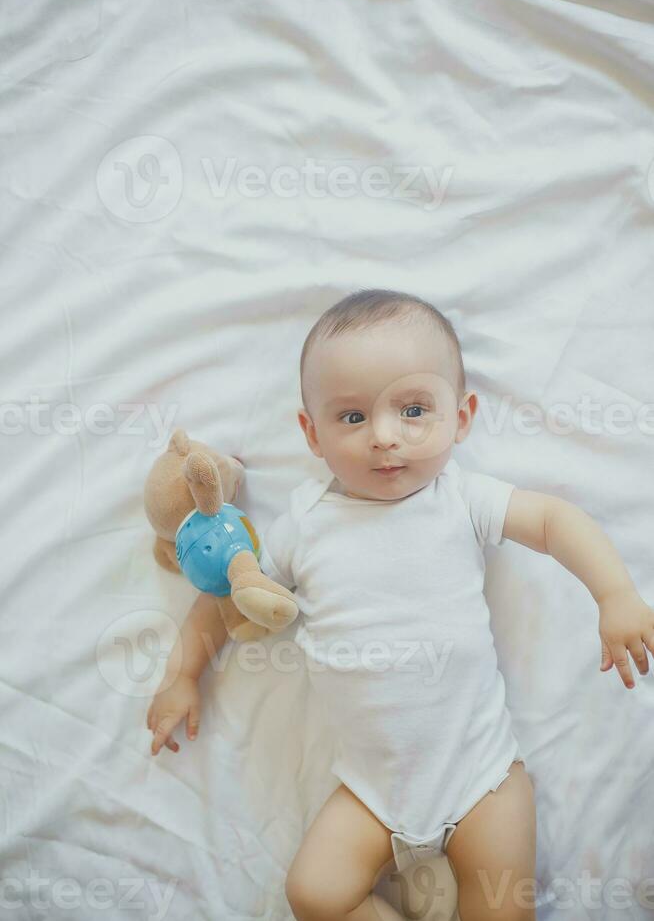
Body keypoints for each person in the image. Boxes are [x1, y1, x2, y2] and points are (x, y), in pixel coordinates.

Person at [147, 288, 654, 921]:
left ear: (461, 417)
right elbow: (224, 594)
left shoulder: (458, 497)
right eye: (352, 418)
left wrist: (616, 594)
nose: (385, 437)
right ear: (311, 433)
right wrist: (180, 675)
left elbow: (553, 520)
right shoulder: (305, 524)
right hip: (370, 791)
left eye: (413, 410)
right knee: (312, 896)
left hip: (482, 776)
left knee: (503, 907)